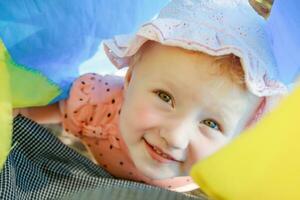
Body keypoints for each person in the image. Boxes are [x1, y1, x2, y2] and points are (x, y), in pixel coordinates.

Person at [15, 0, 287, 192]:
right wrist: (16, 113)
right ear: (130, 79)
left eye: (212, 124)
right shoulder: (97, 101)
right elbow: (37, 112)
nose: (175, 137)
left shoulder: (223, 168)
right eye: (164, 97)